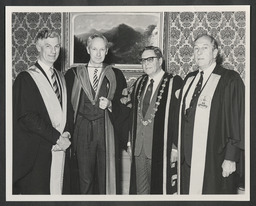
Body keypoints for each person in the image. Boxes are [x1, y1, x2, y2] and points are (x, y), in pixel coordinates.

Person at [177, 34, 245, 194]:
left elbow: (237, 120)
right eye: (196, 49)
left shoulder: (229, 79)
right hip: (187, 157)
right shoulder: (189, 79)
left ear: (215, 53)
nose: (199, 52)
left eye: (204, 48)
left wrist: (231, 157)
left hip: (215, 156)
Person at [65, 33, 128, 194]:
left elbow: (126, 106)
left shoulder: (116, 75)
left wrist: (111, 104)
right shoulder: (73, 74)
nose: (98, 53)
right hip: (82, 130)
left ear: (107, 51)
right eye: (94, 49)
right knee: (84, 179)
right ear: (88, 49)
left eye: (102, 49)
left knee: (105, 178)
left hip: (106, 131)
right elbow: (66, 108)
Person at [13, 29, 73, 194]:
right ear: (38, 48)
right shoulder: (26, 78)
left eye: (57, 46)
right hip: (37, 155)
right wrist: (57, 138)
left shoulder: (61, 78)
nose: (53, 51)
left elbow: (66, 112)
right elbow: (27, 117)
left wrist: (67, 132)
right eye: (48, 46)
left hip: (59, 153)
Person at [121, 46, 183, 194]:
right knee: (140, 191)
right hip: (139, 148)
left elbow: (178, 117)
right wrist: (130, 141)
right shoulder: (140, 82)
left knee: (159, 191)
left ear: (160, 60)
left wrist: (175, 146)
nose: (146, 64)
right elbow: (132, 115)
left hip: (162, 147)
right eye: (143, 60)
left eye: (150, 59)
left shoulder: (174, 82)